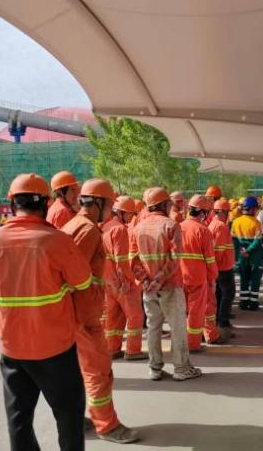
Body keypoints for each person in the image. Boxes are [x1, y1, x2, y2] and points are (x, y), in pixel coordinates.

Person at [0, 173, 98, 451]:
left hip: (12, 348)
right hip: (55, 348)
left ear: (12, 203)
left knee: (19, 419)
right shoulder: (56, 240)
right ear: (45, 203)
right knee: (69, 417)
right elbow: (83, 281)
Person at [61, 179, 139, 444]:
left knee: (79, 371)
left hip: (76, 313)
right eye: (109, 204)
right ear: (98, 202)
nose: (111, 210)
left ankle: (76, 418)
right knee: (99, 371)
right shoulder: (87, 230)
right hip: (83, 315)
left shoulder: (76, 225)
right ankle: (106, 426)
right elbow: (70, 275)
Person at [129, 187, 201, 381]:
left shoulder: (138, 228)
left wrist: (146, 281)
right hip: (169, 286)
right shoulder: (171, 225)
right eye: (169, 203)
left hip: (148, 289)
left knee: (153, 328)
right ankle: (181, 368)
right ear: (163, 204)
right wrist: (159, 279)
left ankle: (155, 368)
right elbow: (175, 258)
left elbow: (133, 260)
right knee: (177, 328)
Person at [102, 195, 147, 361]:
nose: (131, 217)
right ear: (121, 213)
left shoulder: (105, 226)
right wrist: (128, 280)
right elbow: (121, 260)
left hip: (107, 280)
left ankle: (112, 349)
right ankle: (133, 351)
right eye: (130, 214)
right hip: (121, 282)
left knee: (113, 317)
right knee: (135, 316)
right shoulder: (120, 229)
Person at [179, 195, 219, 350]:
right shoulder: (203, 231)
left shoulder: (177, 227)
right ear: (202, 212)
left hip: (179, 278)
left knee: (182, 312)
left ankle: (182, 342)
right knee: (196, 312)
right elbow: (210, 260)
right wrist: (213, 277)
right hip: (197, 278)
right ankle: (193, 344)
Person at [208, 199, 236, 341]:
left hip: (219, 267)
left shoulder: (213, 224)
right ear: (223, 212)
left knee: (219, 295)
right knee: (228, 294)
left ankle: (218, 322)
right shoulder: (221, 226)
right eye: (227, 212)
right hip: (223, 267)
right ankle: (223, 323)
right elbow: (218, 249)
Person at [231, 196, 263, 310]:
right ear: (252, 209)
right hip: (255, 256)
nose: (257, 211)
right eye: (256, 208)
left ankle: (243, 302)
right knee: (255, 279)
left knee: (244, 278)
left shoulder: (236, 222)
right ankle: (253, 303)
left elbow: (234, 241)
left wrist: (239, 255)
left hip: (241, 255)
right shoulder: (257, 223)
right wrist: (248, 250)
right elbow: (258, 240)